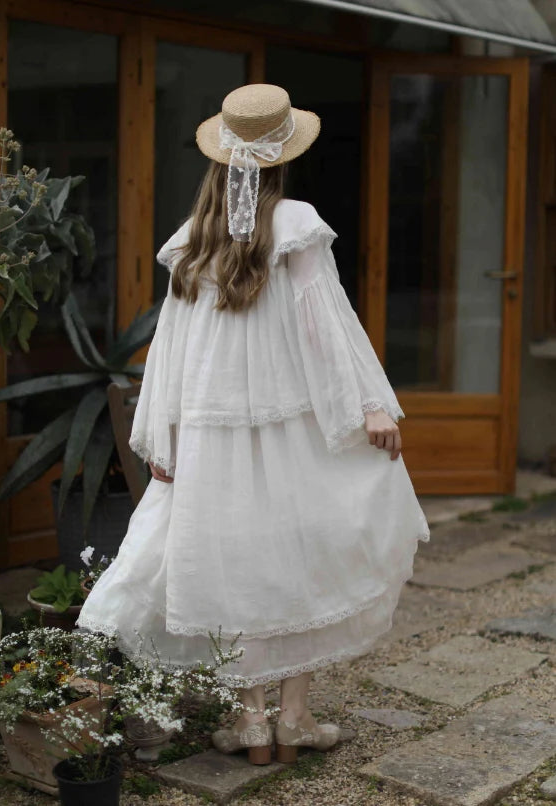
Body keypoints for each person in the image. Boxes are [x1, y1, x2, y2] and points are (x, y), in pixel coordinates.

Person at [77, 83, 430, 767]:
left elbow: (170, 349)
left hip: (211, 434)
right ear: (282, 156)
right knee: (298, 555)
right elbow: (325, 325)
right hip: (290, 424)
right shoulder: (294, 221)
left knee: (233, 561)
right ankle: (293, 715)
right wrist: (368, 405)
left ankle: (252, 722)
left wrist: (162, 433)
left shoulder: (192, 241)